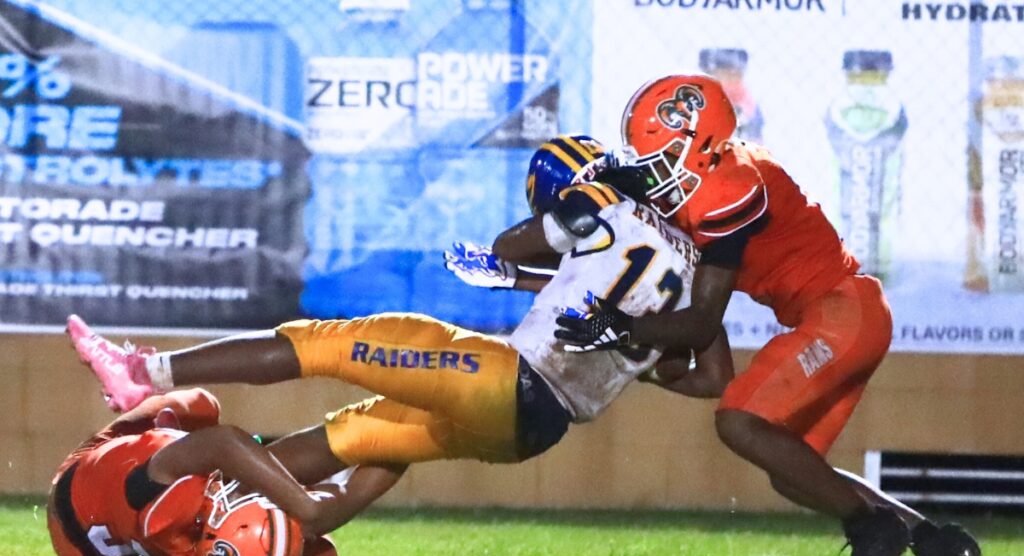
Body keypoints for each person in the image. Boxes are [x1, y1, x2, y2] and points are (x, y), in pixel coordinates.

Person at [66, 134, 733, 481]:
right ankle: (254, 509)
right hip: (534, 431)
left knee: (324, 341)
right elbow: (710, 378)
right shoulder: (697, 267)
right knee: (355, 440)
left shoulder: (602, 205)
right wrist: (624, 350)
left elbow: (510, 243)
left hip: (507, 381)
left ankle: (144, 374)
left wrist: (534, 251)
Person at [553, 75, 981, 556]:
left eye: (661, 159)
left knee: (740, 422)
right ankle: (939, 543)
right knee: (792, 469)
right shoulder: (714, 173)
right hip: (847, 312)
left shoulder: (729, 189)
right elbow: (712, 373)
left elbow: (704, 322)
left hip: (840, 313)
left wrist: (619, 329)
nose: (652, 172)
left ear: (703, 146)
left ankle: (875, 529)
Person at [48, 386, 404, 556]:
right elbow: (342, 512)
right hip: (116, 546)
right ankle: (402, 430)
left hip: (76, 490)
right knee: (311, 531)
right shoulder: (203, 552)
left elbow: (225, 443)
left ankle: (143, 393)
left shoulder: (168, 505)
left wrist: (308, 511)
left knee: (204, 406)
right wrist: (411, 440)